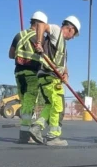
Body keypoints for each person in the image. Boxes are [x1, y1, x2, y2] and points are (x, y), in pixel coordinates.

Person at [31, 15, 81, 146]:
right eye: (74, 34)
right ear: (70, 29)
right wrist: (39, 43)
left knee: (50, 105)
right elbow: (41, 25)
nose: (72, 38)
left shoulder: (62, 45)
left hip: (47, 77)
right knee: (58, 107)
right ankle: (53, 136)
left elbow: (62, 64)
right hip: (50, 77)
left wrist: (66, 74)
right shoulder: (56, 31)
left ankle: (36, 127)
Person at [9, 10, 48, 143]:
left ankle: (25, 132)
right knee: (29, 102)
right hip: (32, 74)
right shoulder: (40, 38)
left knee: (24, 101)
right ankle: (25, 134)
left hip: (18, 73)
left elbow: (10, 54)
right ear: (40, 24)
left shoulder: (19, 35)